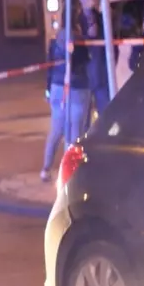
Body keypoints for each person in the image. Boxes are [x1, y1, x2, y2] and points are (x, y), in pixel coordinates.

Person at [40, 27, 91, 182]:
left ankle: (46, 168)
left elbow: (50, 67)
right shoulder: (81, 40)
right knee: (76, 132)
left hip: (57, 86)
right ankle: (73, 173)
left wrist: (48, 89)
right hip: (77, 88)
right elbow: (84, 61)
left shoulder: (54, 43)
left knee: (56, 129)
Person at [76, 0, 111, 115]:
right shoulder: (79, 18)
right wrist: (90, 14)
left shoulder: (100, 16)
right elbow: (92, 33)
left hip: (99, 69)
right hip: (85, 69)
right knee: (84, 112)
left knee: (104, 108)